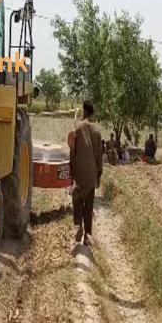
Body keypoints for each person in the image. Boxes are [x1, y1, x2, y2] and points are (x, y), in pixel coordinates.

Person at [69, 100, 102, 246]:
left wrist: (71, 172)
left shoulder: (78, 127)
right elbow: (99, 156)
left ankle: (78, 225)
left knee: (76, 197)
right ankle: (87, 236)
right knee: (89, 204)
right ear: (92, 113)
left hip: (80, 172)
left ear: (84, 111)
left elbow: (72, 152)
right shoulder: (97, 131)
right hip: (92, 173)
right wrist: (98, 176)